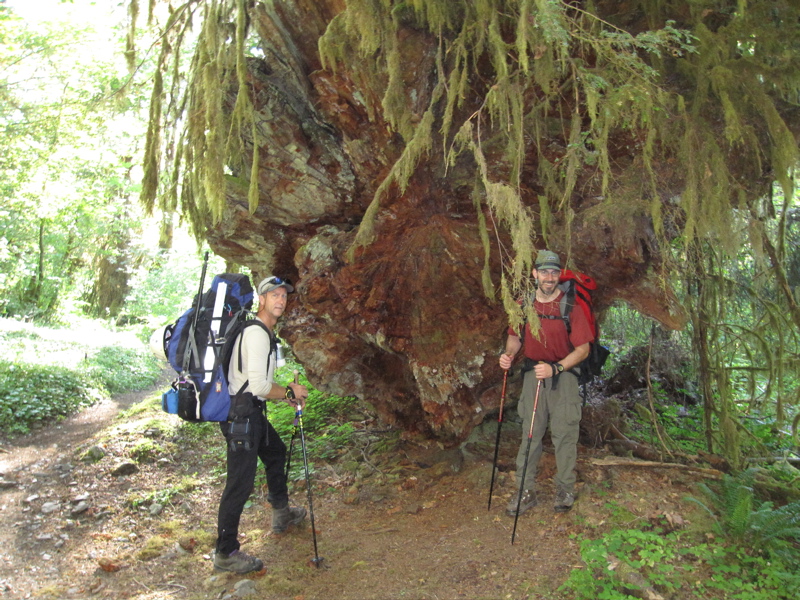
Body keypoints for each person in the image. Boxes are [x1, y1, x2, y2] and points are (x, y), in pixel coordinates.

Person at [213, 276, 309, 574]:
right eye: (274, 295)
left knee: (276, 452)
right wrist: (290, 393)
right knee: (239, 485)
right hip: (242, 419)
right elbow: (256, 385)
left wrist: (283, 393)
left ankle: (281, 514)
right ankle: (225, 552)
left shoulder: (263, 332)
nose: (280, 300)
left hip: (250, 414)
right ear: (261, 299)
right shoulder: (256, 333)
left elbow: (260, 384)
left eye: (284, 295)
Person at [499, 250, 592, 515]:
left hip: (564, 377)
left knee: (564, 434)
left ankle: (565, 489)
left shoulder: (570, 306)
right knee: (530, 434)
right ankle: (524, 492)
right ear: (535, 274)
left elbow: (583, 349)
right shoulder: (523, 304)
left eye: (554, 272)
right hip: (533, 376)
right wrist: (507, 356)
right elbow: (514, 337)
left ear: (558, 275)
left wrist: (557, 368)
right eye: (544, 271)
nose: (549, 277)